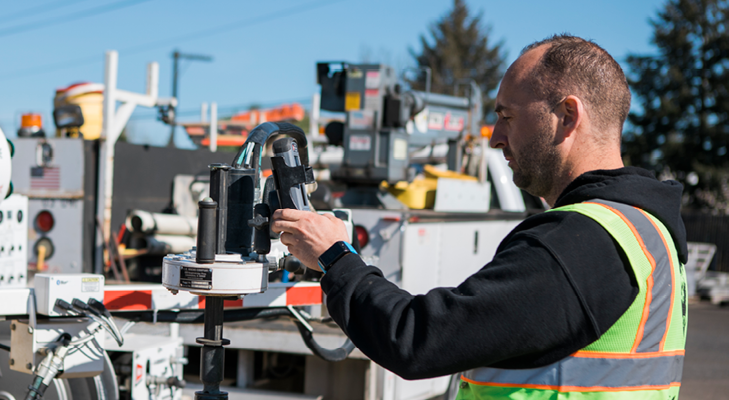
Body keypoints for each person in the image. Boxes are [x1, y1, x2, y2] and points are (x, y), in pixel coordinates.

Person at [272, 34, 689, 399]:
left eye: (507, 116)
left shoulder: (579, 242)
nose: (494, 138)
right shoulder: (646, 230)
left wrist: (335, 257)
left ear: (567, 116)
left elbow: (417, 340)